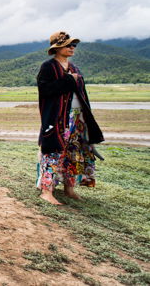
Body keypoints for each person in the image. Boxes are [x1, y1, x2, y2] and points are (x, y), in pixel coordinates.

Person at [36, 31, 104, 205]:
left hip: (76, 118)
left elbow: (82, 95)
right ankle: (46, 191)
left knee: (73, 153)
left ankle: (69, 188)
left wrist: (86, 119)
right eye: (68, 45)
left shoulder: (75, 68)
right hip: (57, 118)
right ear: (58, 48)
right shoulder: (48, 67)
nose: (72, 48)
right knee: (52, 153)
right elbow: (45, 90)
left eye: (74, 45)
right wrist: (68, 80)